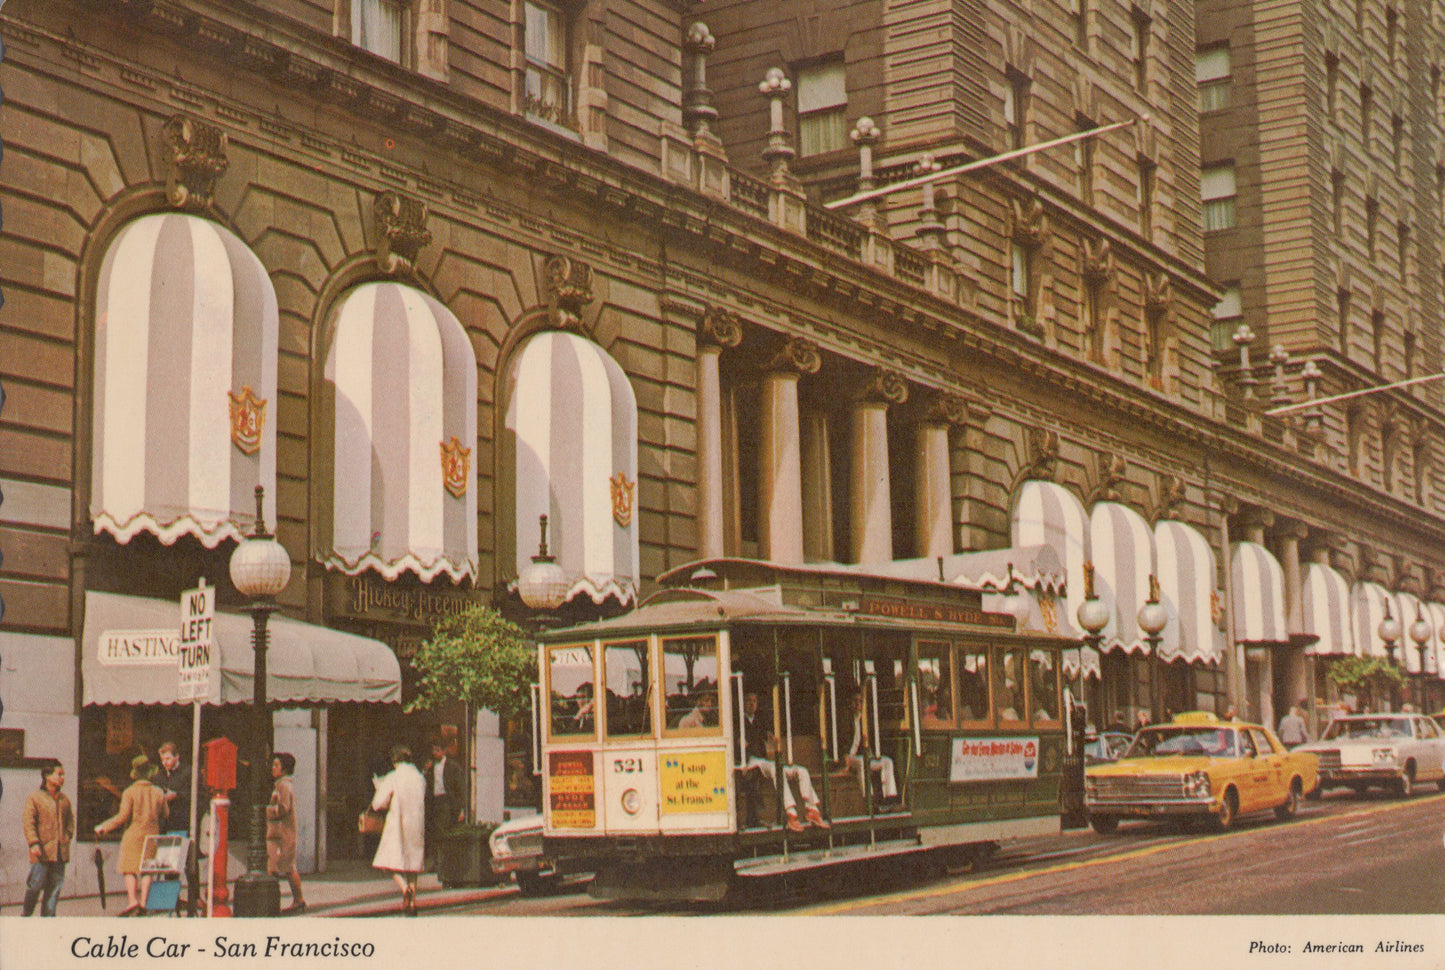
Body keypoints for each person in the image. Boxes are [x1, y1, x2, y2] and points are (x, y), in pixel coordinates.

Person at [739, 691, 827, 832]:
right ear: (742, 703)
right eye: (748, 700)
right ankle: (791, 813)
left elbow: (768, 738)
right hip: (750, 763)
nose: (751, 704)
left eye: (754, 701)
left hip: (764, 762)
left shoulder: (760, 720)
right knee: (776, 770)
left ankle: (812, 809)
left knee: (802, 771)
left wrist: (772, 739)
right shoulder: (738, 722)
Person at [94, 753, 169, 916]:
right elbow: (165, 814)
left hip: (133, 834)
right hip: (152, 835)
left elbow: (122, 817)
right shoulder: (158, 792)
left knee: (130, 869)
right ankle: (144, 903)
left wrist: (103, 827)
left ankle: (132, 901)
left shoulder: (129, 792)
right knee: (147, 870)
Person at [371, 744, 426, 916]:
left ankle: (404, 889)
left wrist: (378, 788)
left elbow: (378, 803)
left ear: (395, 760)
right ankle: (412, 902)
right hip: (416, 824)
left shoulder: (393, 777)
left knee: (390, 861)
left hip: (397, 822)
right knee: (413, 864)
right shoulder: (419, 777)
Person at [22, 760, 74, 917]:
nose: (62, 778)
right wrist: (33, 843)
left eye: (63, 775)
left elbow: (70, 822)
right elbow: (28, 822)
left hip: (60, 853)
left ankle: (48, 921)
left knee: (54, 889)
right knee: (35, 886)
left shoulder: (64, 800)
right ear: (47, 776)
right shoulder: (35, 798)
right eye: (59, 774)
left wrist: (66, 837)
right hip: (41, 851)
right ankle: (26, 914)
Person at [837, 690, 898, 804]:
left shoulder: (863, 719)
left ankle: (890, 797)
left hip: (861, 757)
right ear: (849, 702)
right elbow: (842, 741)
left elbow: (866, 740)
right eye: (855, 701)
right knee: (861, 762)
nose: (858, 704)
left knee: (887, 762)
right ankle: (869, 798)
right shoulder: (845, 717)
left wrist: (872, 755)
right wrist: (844, 761)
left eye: (860, 701)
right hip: (849, 758)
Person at [266, 753, 306, 915]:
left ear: (285, 769)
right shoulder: (280, 785)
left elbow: (283, 808)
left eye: (276, 765)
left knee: (285, 868)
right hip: (279, 834)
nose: (273, 768)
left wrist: (268, 811)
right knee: (277, 867)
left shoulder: (284, 786)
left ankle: (298, 900)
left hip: (283, 834)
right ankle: (286, 901)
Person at [424, 740, 465, 870]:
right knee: (435, 832)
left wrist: (461, 809)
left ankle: (445, 862)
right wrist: (426, 770)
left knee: (444, 831)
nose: (434, 753)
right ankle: (437, 861)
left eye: (437, 751)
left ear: (444, 751)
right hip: (434, 801)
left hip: (447, 801)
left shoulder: (452, 767)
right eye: (433, 751)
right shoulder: (431, 767)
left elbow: (460, 788)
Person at [155, 742, 191, 836]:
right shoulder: (159, 776)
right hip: (163, 825)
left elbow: (195, 794)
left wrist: (177, 795)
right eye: (162, 759)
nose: (165, 762)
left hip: (181, 824)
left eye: (168, 758)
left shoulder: (188, 773)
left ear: (177, 756)